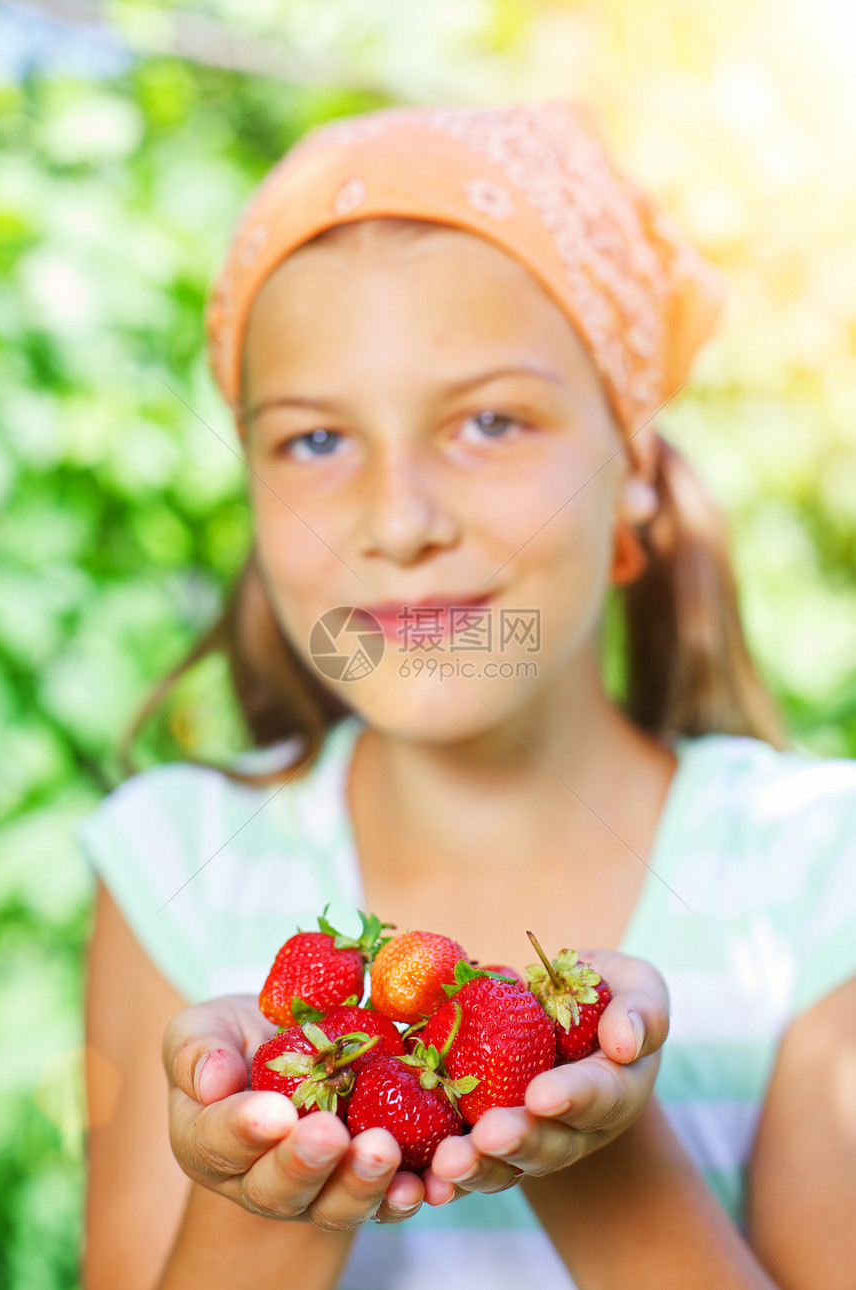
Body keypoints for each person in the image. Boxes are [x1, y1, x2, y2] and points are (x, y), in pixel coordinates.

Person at [77, 100, 856, 1290]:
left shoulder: (818, 871)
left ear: (634, 465)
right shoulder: (168, 863)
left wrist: (594, 1152)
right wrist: (267, 1188)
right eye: (315, 443)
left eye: (490, 421)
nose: (399, 522)